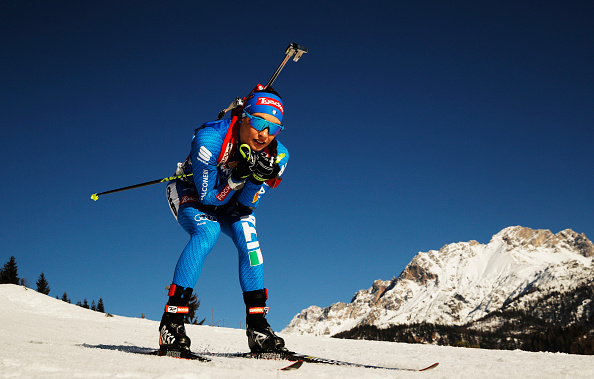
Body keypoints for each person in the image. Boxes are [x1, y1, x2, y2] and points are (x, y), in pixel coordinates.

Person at [160, 85, 289, 357]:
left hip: (232, 199)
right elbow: (207, 198)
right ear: (244, 116)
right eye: (258, 122)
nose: (264, 134)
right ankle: (171, 323)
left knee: (249, 239)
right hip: (191, 191)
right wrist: (235, 179)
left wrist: (254, 178)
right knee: (208, 231)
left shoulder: (278, 156)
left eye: (274, 128)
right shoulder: (209, 140)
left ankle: (258, 327)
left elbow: (246, 205)